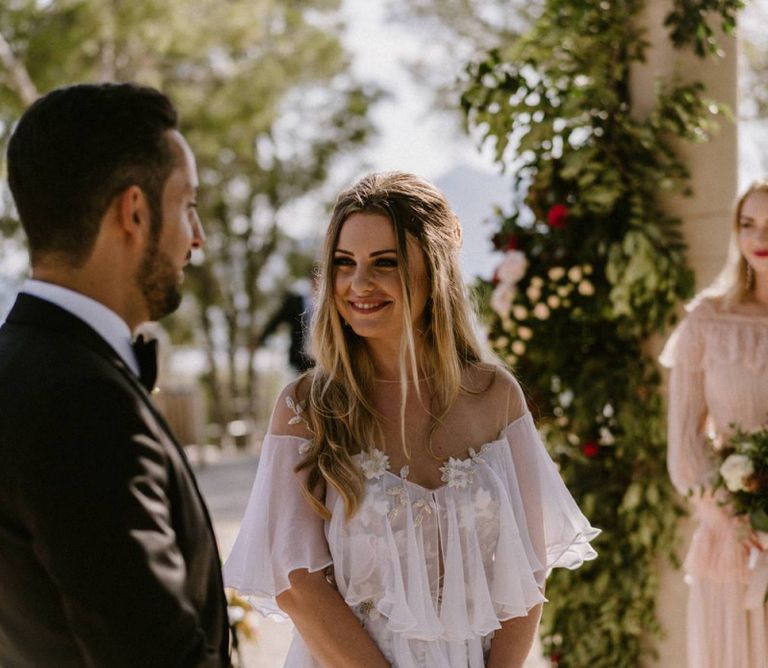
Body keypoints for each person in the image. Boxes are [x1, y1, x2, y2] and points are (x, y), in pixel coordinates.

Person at [224, 171, 599, 667]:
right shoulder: (307, 407)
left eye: (386, 263)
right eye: (344, 263)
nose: (358, 284)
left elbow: (528, 571)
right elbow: (296, 581)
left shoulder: (495, 396)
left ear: (435, 271)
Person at [0, 83, 230, 667]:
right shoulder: (80, 403)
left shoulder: (19, 364)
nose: (196, 237)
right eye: (187, 206)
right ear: (133, 212)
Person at [660, 180, 768, 668]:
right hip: (732, 537)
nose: (757, 237)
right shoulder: (708, 320)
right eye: (748, 224)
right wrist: (732, 516)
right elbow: (684, 438)